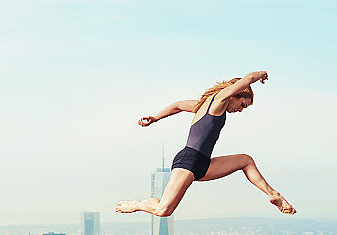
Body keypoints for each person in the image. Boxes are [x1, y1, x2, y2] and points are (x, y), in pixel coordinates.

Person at [116, 70, 296, 217]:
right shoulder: (218, 101)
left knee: (246, 160)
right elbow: (248, 78)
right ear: (234, 95)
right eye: (242, 104)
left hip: (204, 163)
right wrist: (260, 75)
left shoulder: (203, 105)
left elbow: (178, 105)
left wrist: (155, 118)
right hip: (188, 160)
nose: (240, 110)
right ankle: (138, 204)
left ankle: (274, 195)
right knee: (163, 210)